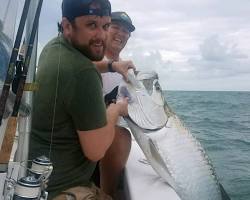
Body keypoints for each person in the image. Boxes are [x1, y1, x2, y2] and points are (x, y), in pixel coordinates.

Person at [28, 0, 129, 199]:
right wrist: (116, 109)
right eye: (92, 25)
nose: (101, 35)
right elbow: (97, 151)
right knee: (121, 136)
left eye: (105, 26)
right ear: (67, 26)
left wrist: (111, 66)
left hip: (38, 179)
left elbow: (83, 65)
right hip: (64, 189)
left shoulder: (54, 48)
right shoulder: (82, 74)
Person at [93, 11, 135, 198]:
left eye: (126, 31)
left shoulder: (129, 74)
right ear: (105, 29)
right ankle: (106, 194)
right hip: (88, 138)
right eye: (116, 27)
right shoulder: (91, 60)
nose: (121, 33)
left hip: (107, 153)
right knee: (121, 137)